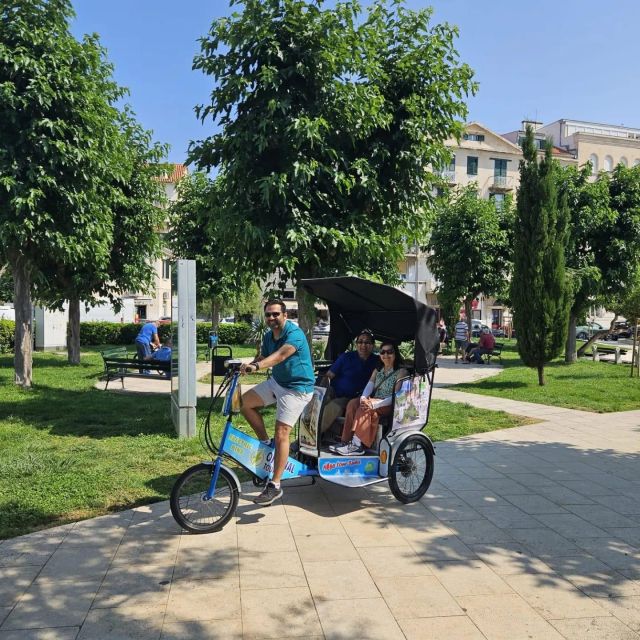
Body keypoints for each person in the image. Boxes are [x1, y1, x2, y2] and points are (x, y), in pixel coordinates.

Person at [240, 299, 315, 505]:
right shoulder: (267, 335)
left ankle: (275, 485)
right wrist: (249, 364)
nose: (271, 318)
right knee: (244, 403)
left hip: (298, 389)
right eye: (268, 315)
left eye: (275, 314)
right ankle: (266, 444)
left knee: (282, 432)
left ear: (285, 315)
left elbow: (280, 356)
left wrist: (257, 367)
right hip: (278, 382)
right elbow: (264, 355)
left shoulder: (295, 334)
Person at [333, 341, 408, 456]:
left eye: (390, 352)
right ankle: (346, 441)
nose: (386, 355)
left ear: (395, 354)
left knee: (365, 408)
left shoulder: (401, 372)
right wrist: (363, 398)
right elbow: (370, 385)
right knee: (353, 403)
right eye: (383, 352)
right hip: (374, 400)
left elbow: (396, 396)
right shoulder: (378, 370)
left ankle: (357, 445)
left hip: (389, 404)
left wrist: (375, 404)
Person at [318, 330, 379, 437]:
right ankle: (311, 432)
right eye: (360, 342)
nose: (363, 345)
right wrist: (321, 393)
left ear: (372, 346)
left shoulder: (377, 361)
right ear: (356, 344)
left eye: (367, 342)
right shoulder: (346, 357)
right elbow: (328, 376)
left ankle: (313, 435)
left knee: (334, 405)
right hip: (333, 390)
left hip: (351, 397)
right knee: (319, 402)